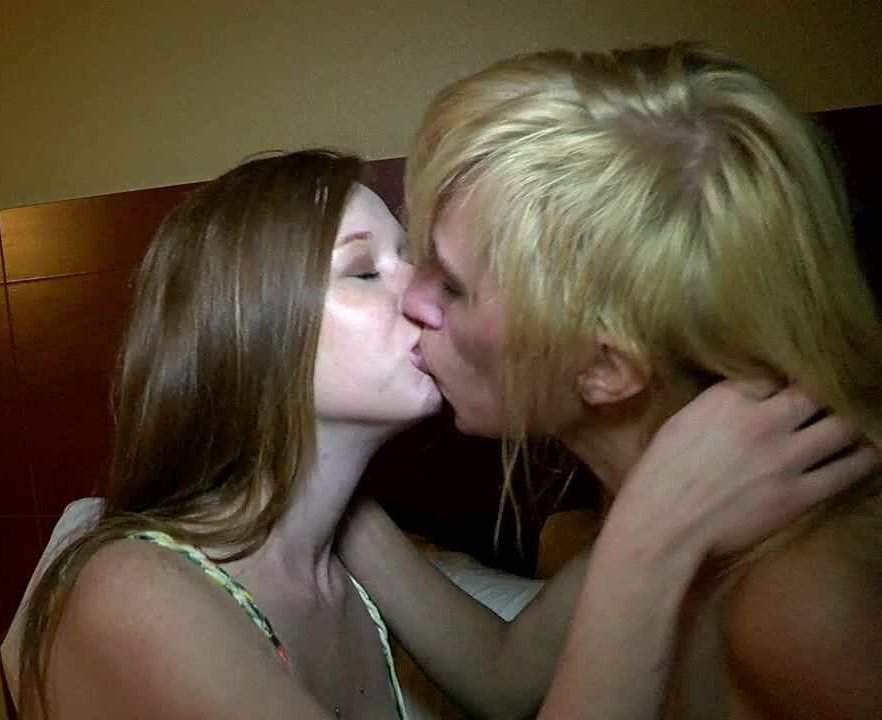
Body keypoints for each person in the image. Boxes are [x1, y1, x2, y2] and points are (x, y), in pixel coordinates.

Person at [12, 149, 867, 720]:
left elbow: (504, 678)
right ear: (247, 334)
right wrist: (654, 542)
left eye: (416, 261)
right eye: (363, 269)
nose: (424, 297)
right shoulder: (136, 594)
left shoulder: (343, 547)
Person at [342, 42, 882, 720]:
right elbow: (504, 678)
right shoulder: (670, 491)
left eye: (452, 286)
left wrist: (646, 549)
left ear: (605, 368)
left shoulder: (806, 606)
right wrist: (321, 490)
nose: (410, 300)